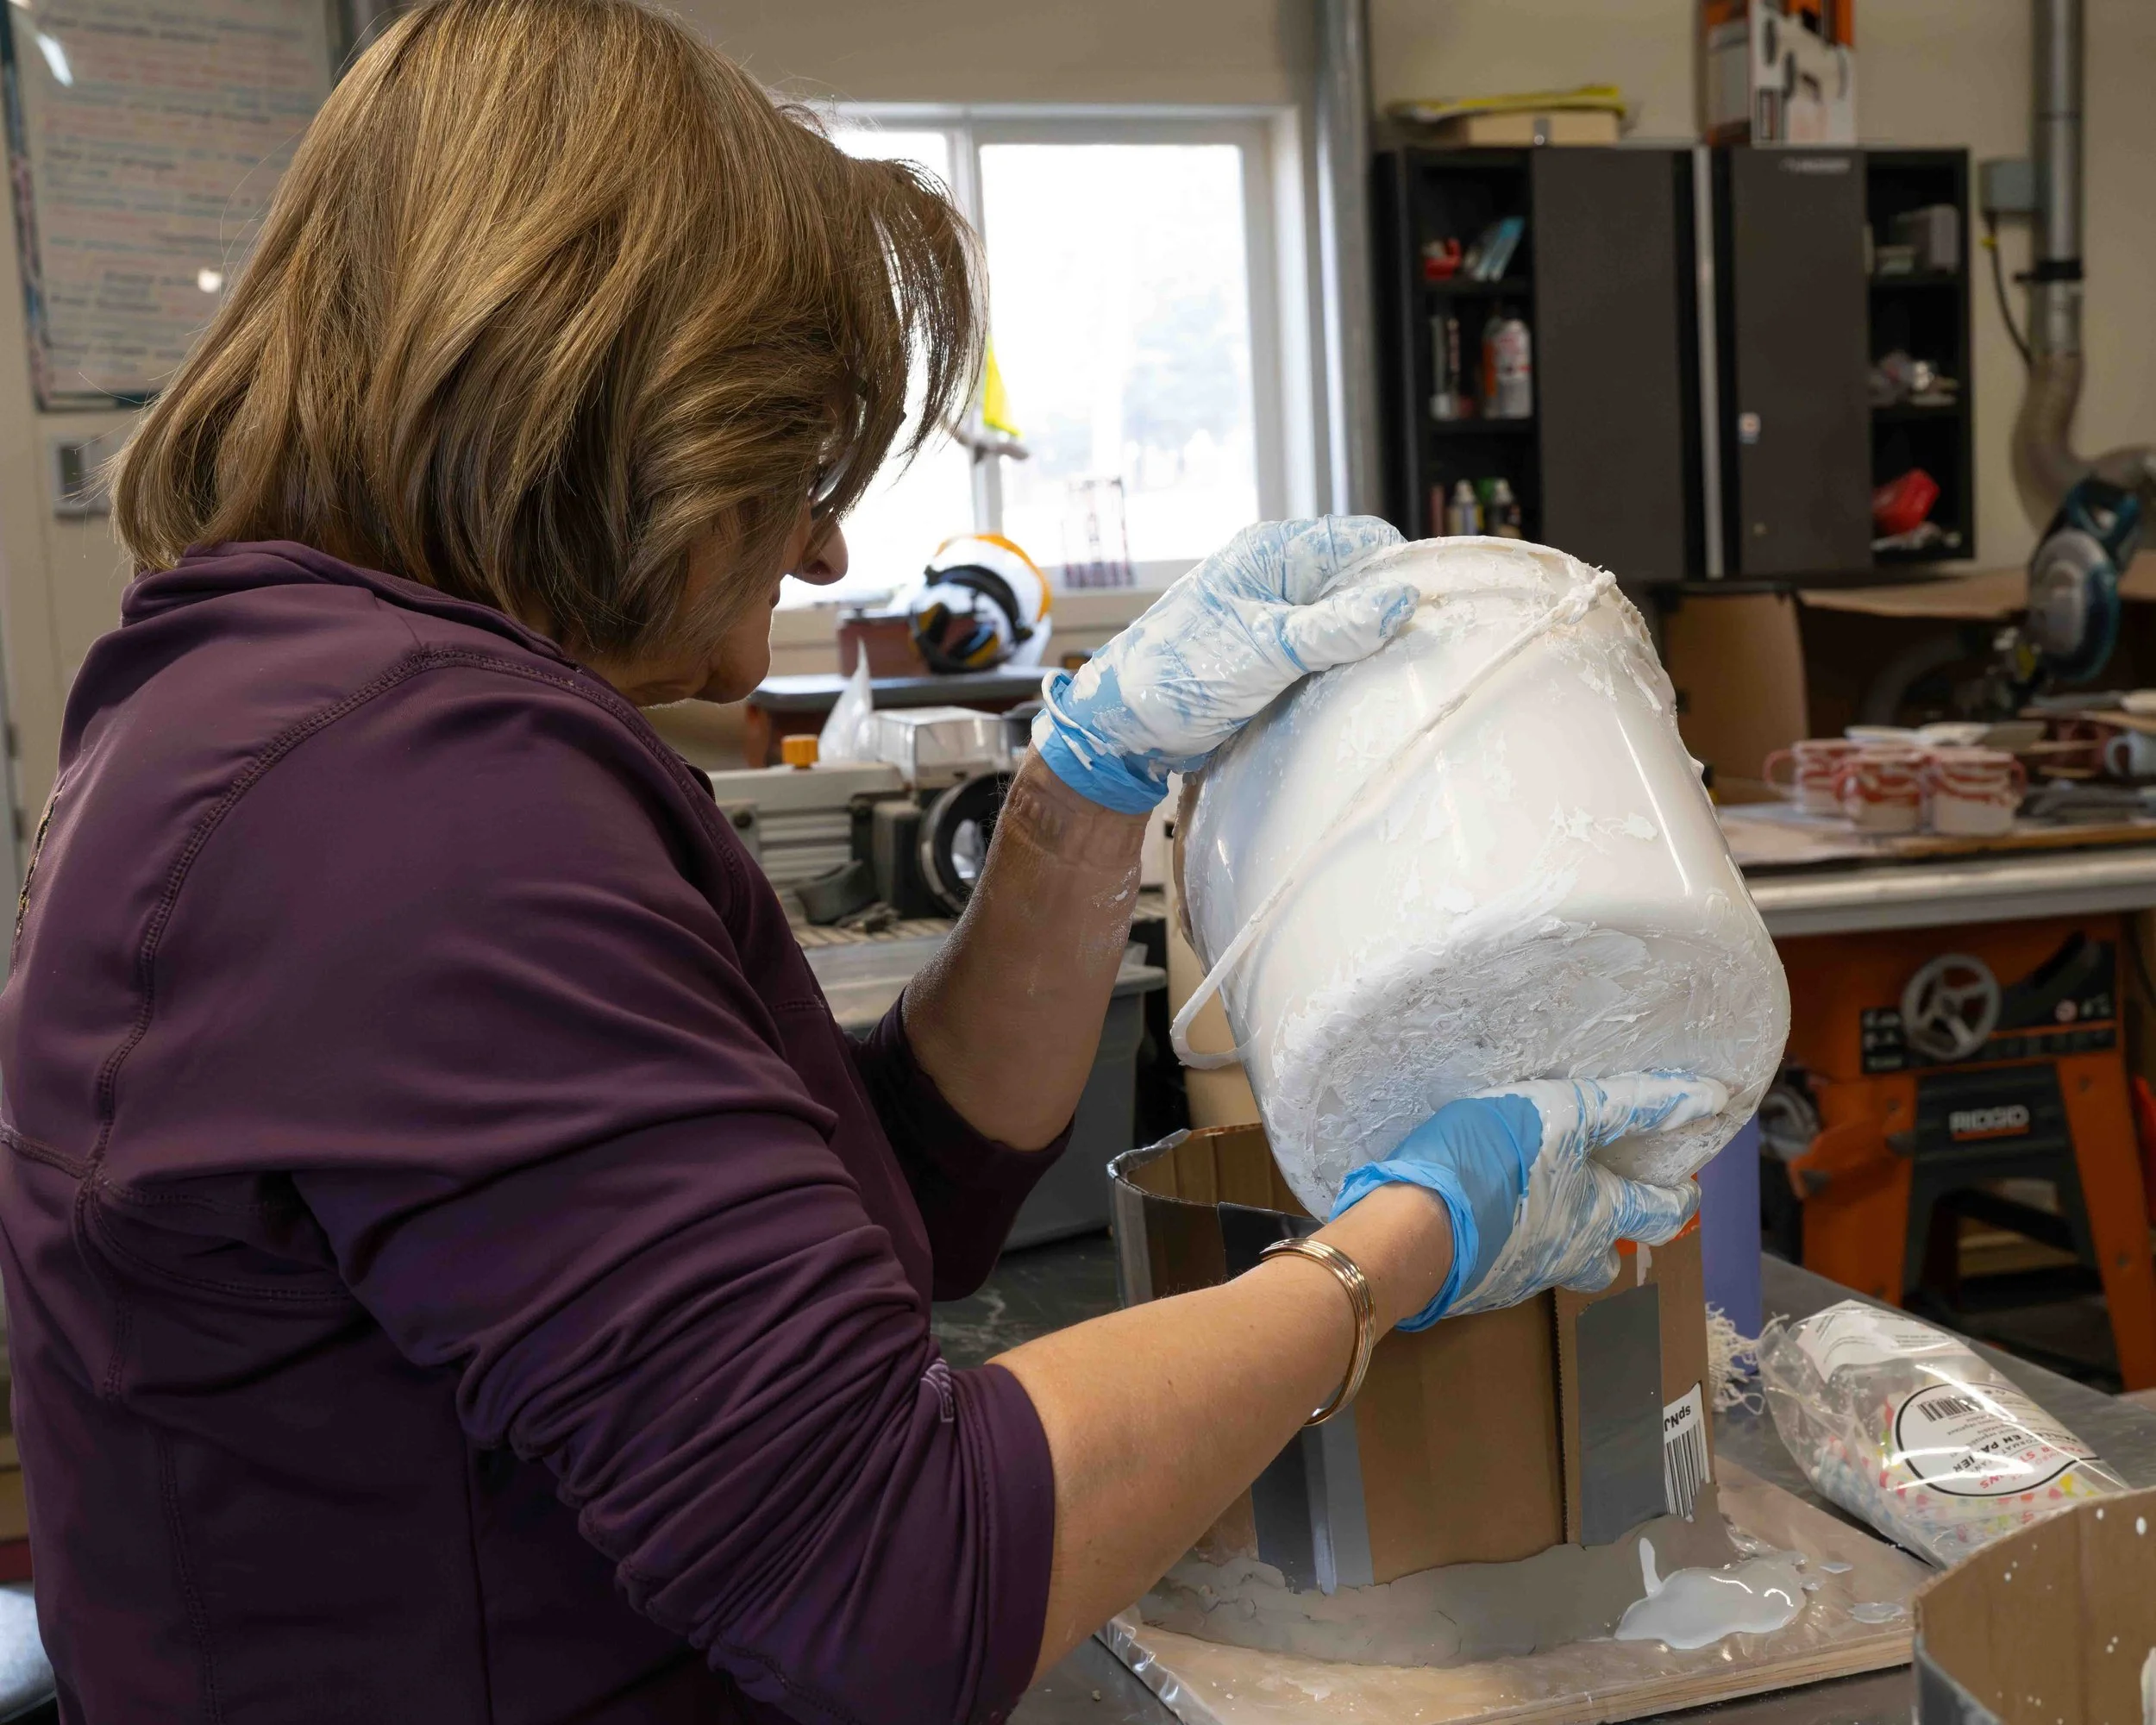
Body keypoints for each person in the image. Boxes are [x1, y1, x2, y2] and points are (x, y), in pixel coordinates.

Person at [0, 3, 1720, 1721]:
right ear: (615, 411)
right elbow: (891, 1578)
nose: (825, 547)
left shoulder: (267, 700)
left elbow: (899, 1187)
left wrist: (1079, 791)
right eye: (796, 462)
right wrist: (1401, 1244)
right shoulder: (418, 804)